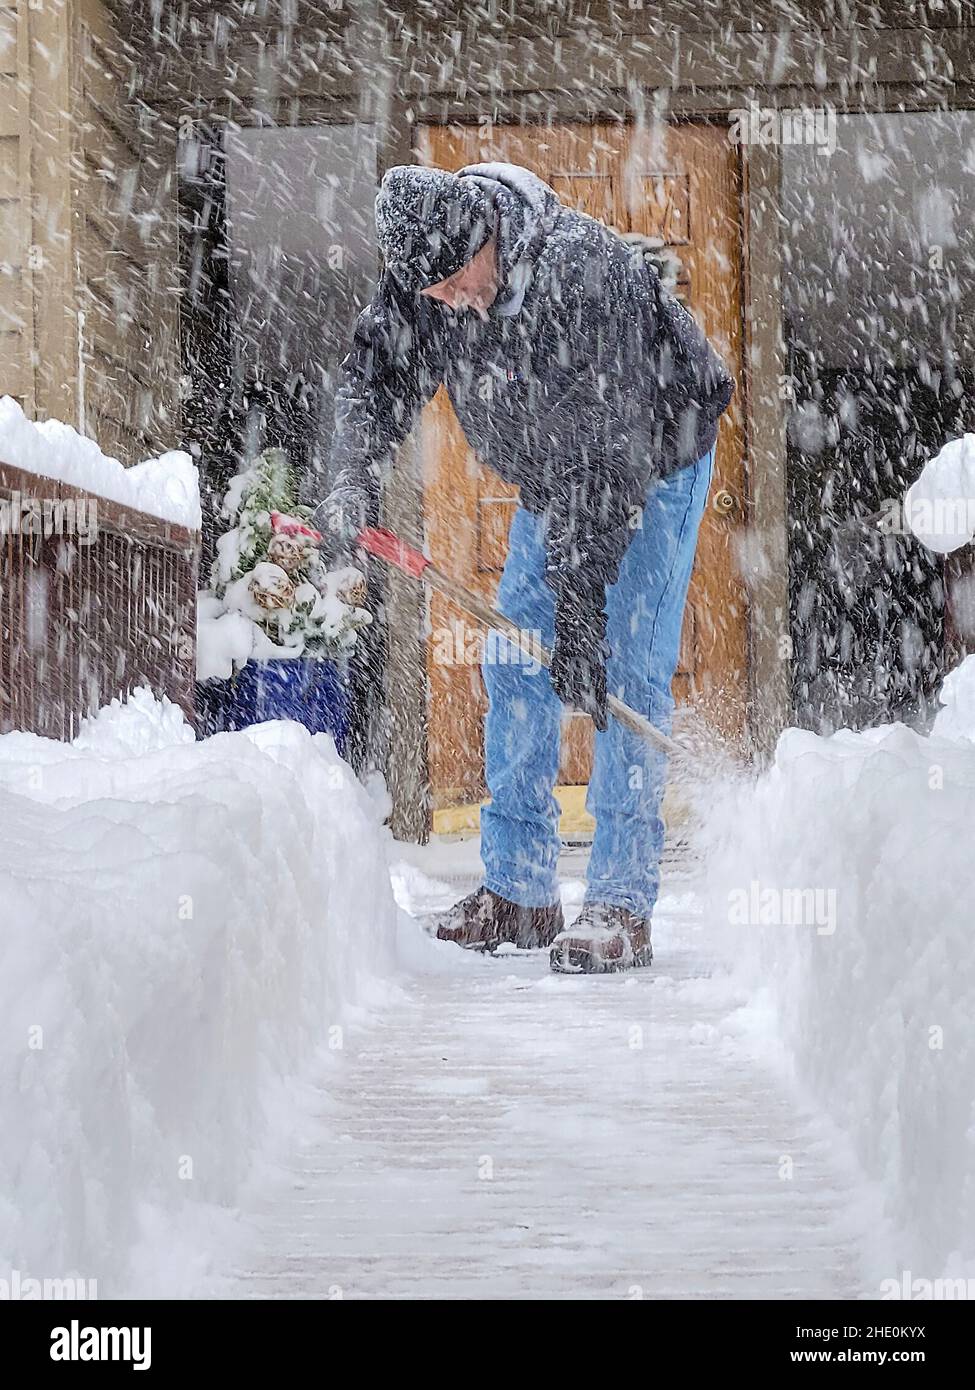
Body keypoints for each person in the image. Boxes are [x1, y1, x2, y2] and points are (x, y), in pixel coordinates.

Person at [323, 161, 733, 972]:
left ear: (486, 240)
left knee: (624, 671)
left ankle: (618, 901)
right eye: (429, 294)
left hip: (650, 453)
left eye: (452, 283)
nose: (446, 303)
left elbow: (610, 454)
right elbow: (371, 380)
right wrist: (351, 474)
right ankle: (519, 891)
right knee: (513, 657)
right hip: (558, 471)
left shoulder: (587, 274)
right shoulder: (426, 276)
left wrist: (580, 614)